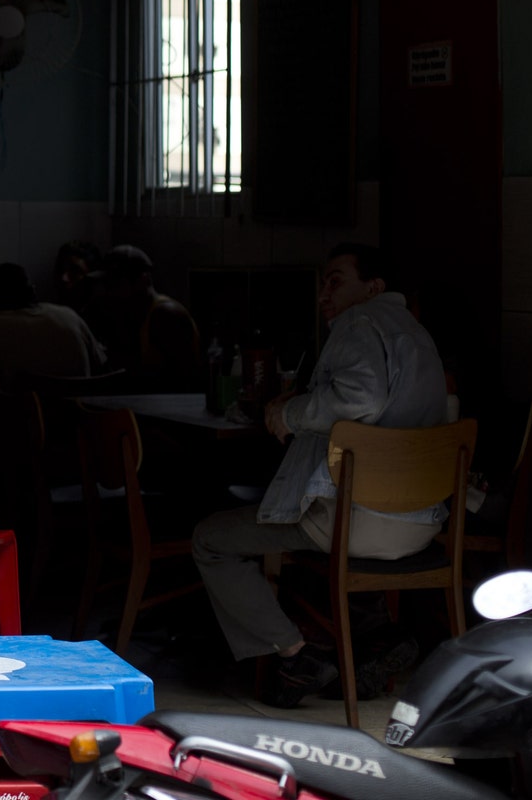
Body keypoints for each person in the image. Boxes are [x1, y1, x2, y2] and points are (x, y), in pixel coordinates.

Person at [191, 243, 447, 708]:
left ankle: (296, 655)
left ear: (373, 288)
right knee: (307, 527)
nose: (323, 295)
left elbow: (358, 399)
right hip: (421, 522)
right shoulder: (417, 333)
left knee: (211, 538)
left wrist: (288, 413)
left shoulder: (359, 320)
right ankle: (377, 636)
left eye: (335, 281)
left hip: (357, 519)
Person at [0, 262, 106, 395]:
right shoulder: (71, 317)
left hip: (23, 425)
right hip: (82, 423)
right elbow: (102, 369)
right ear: (32, 290)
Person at [96, 244, 200, 390]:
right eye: (108, 285)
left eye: (117, 284)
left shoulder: (166, 315)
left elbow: (182, 382)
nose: (110, 292)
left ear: (142, 280)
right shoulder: (132, 315)